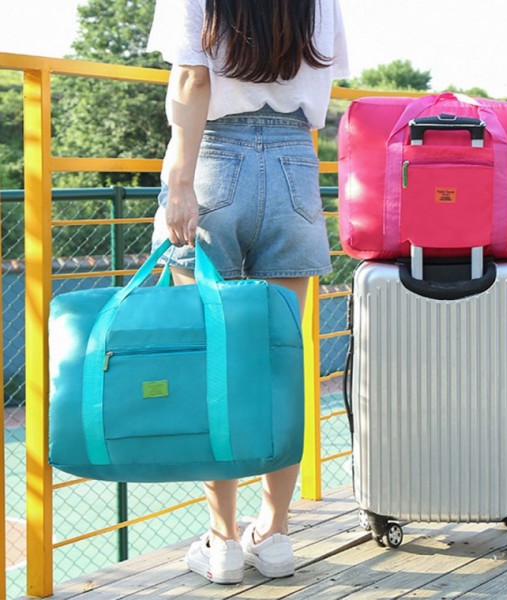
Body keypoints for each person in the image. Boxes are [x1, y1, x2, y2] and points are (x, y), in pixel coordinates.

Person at [147, 0, 350, 585]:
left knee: (216, 363)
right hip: (295, 163)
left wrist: (179, 184)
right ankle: (276, 534)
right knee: (280, 363)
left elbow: (192, 79)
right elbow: (324, 81)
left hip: (214, 160)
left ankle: (223, 540)